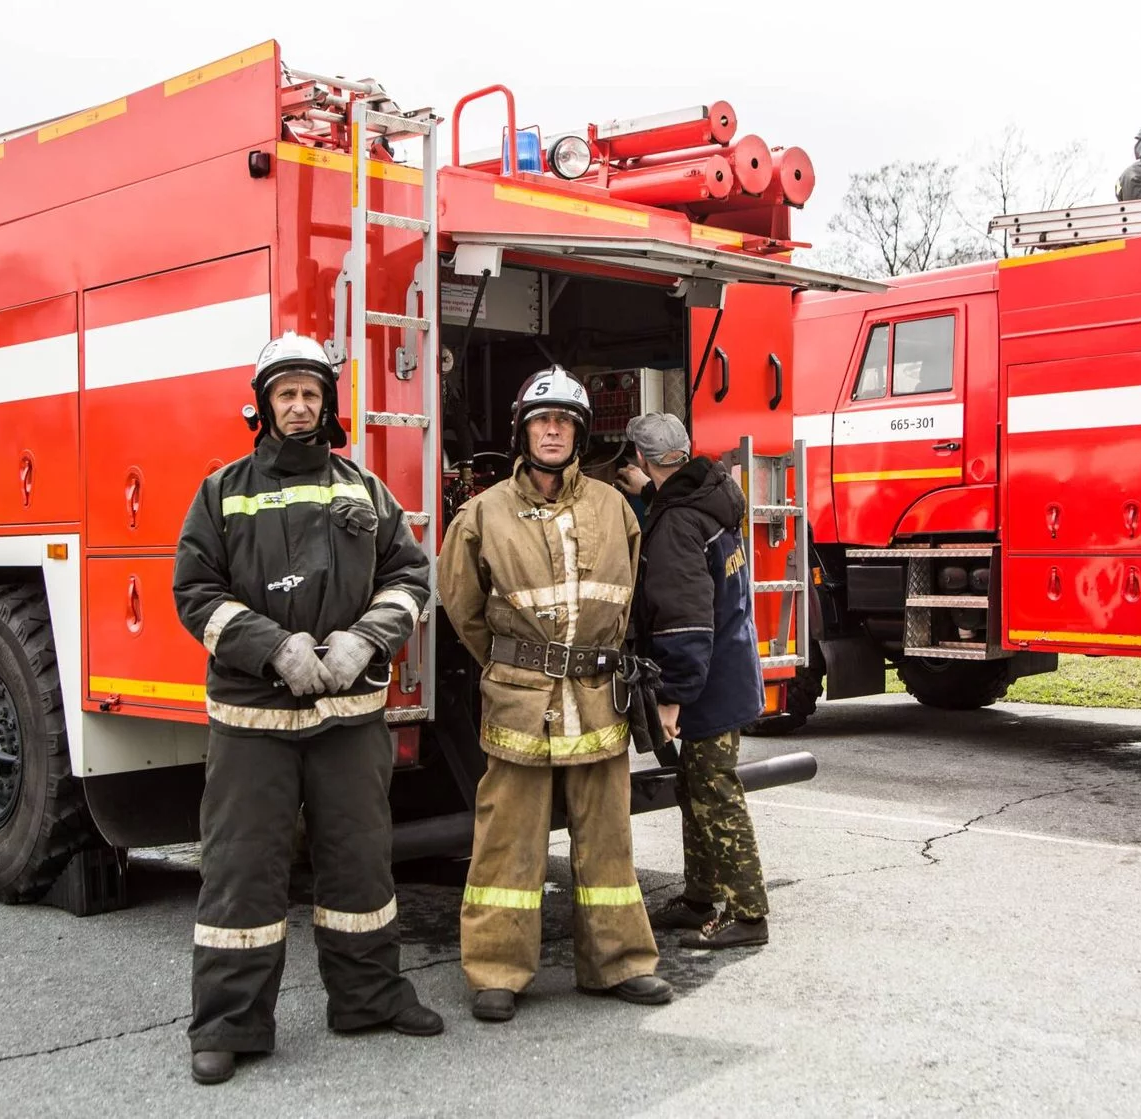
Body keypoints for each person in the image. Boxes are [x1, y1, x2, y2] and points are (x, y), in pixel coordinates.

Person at [173, 331, 442, 1086]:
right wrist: (272, 648)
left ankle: (368, 998)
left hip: (348, 717)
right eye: (286, 393)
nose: (299, 405)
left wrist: (366, 640)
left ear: (327, 405)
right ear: (263, 405)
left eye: (312, 394)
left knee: (359, 861)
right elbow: (195, 593)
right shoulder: (222, 491)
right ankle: (229, 1024)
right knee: (241, 872)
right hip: (254, 720)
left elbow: (409, 575)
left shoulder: (363, 488)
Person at [437, 365, 672, 1023]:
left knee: (608, 840)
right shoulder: (482, 514)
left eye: (565, 420)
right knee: (507, 840)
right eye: (543, 419)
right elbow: (462, 607)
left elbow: (632, 602)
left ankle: (620, 962)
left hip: (600, 697)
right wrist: (519, 665)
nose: (553, 429)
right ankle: (496, 972)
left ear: (579, 432)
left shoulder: (612, 507)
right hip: (520, 701)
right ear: (523, 429)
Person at [617, 413, 769, 950]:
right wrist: (648, 497)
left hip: (704, 681)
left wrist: (675, 696)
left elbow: (685, 618)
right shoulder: (710, 496)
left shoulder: (678, 523)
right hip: (729, 666)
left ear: (639, 458)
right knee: (693, 787)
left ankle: (748, 913)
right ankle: (700, 896)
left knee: (714, 791)